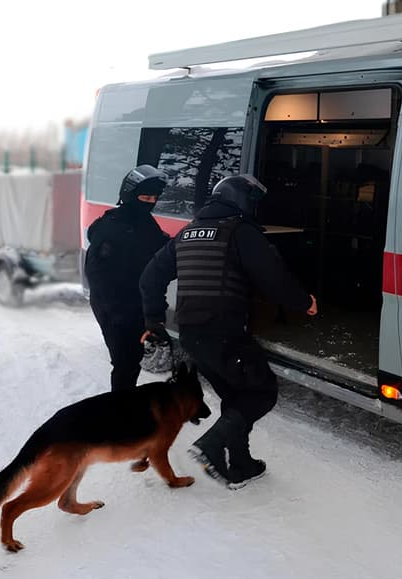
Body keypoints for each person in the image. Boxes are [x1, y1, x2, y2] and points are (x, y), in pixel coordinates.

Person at [140, 174, 317, 489]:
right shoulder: (240, 231)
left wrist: (154, 320)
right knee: (261, 392)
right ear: (241, 200)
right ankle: (210, 445)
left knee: (236, 395)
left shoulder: (188, 233)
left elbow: (149, 278)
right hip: (224, 331)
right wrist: (304, 302)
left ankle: (240, 463)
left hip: (191, 333)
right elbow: (272, 276)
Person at [85, 165, 170, 391]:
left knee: (132, 360)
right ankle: (120, 408)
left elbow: (162, 249)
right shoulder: (110, 227)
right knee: (124, 363)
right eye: (145, 197)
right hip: (113, 307)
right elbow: (95, 274)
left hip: (136, 304)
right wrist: (115, 312)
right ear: (130, 195)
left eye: (154, 198)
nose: (150, 202)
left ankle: (125, 404)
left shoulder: (145, 222)